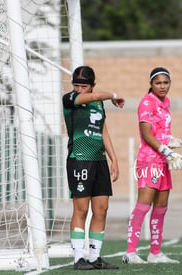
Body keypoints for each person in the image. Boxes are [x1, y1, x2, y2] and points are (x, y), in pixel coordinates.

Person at [62, 65, 125, 270]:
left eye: (84, 86)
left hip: (99, 161)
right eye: (76, 85)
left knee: (102, 209)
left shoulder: (98, 104)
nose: (79, 89)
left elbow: (103, 131)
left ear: (92, 85)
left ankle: (94, 257)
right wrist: (112, 95)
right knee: (81, 209)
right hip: (79, 159)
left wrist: (113, 159)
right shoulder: (70, 99)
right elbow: (94, 96)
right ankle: (78, 258)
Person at [123, 67, 182, 265]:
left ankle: (155, 253)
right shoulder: (146, 103)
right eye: (158, 83)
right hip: (150, 160)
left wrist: (170, 141)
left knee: (161, 206)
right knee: (144, 204)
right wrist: (166, 149)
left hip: (162, 160)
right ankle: (130, 252)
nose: (162, 86)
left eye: (165, 82)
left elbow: (160, 131)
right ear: (151, 84)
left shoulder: (165, 103)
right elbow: (147, 134)